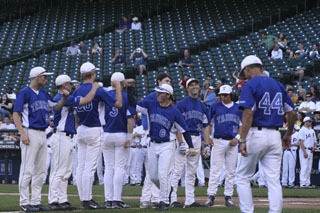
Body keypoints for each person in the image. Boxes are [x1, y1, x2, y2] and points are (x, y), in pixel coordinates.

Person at [236, 55, 296, 213]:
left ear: (248, 69)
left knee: (242, 177)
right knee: (273, 180)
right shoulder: (278, 84)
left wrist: (242, 139)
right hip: (275, 135)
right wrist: (288, 134)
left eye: (245, 72)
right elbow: (291, 113)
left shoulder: (250, 85)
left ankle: (247, 211)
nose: (245, 76)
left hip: (256, 133)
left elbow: (247, 114)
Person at [13, 66, 70, 212]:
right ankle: (25, 203)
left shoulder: (44, 93)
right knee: (27, 170)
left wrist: (64, 98)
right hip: (29, 132)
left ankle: (36, 202)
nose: (46, 79)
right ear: (37, 77)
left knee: (40, 170)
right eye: (44, 77)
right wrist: (22, 133)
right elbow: (16, 114)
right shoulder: (24, 93)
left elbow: (56, 107)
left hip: (42, 133)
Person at [136, 84, 196, 211]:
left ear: (168, 95)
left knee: (163, 174)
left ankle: (164, 201)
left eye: (160, 93)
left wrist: (190, 146)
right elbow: (136, 104)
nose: (157, 95)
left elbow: (184, 130)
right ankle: (168, 190)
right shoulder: (151, 105)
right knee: (153, 176)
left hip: (167, 145)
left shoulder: (174, 112)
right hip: (152, 144)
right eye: (157, 92)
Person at [73, 62, 122, 209]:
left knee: (80, 167)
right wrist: (118, 87)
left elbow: (75, 113)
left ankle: (83, 198)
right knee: (89, 167)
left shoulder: (77, 90)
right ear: (93, 74)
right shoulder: (98, 90)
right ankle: (87, 200)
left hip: (80, 129)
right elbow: (118, 104)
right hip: (94, 129)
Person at [48, 75, 100, 210]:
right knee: (58, 170)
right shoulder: (61, 98)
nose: (71, 86)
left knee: (65, 172)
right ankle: (54, 200)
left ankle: (62, 199)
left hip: (67, 137)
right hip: (60, 136)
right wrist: (94, 87)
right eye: (69, 84)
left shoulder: (64, 97)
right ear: (64, 85)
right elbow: (87, 99)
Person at [170, 78, 212, 208]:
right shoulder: (182, 104)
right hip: (183, 137)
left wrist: (206, 143)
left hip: (196, 138)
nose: (194, 87)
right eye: (191, 85)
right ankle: (172, 199)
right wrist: (181, 142)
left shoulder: (203, 106)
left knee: (191, 171)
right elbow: (176, 125)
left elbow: (205, 126)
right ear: (187, 88)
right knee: (177, 170)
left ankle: (190, 200)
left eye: (196, 84)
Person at [205, 85, 242, 207]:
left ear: (231, 94)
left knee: (231, 171)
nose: (222, 97)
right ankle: (211, 196)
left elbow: (242, 125)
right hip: (218, 141)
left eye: (225, 95)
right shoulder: (215, 107)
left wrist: (237, 138)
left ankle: (228, 196)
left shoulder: (238, 108)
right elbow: (208, 124)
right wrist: (208, 138)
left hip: (232, 142)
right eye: (221, 95)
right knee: (215, 170)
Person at [102, 72, 135, 209]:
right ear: (122, 83)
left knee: (108, 168)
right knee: (119, 168)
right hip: (120, 134)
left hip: (105, 134)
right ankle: (116, 199)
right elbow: (131, 119)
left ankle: (108, 199)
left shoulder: (104, 95)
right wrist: (129, 137)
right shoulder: (126, 97)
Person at [298, 116, 317, 188]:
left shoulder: (312, 130)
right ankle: (302, 183)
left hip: (311, 150)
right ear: (305, 122)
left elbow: (315, 141)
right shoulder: (302, 130)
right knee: (304, 167)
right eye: (308, 121)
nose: (310, 122)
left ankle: (307, 183)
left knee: (309, 168)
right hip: (304, 149)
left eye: (310, 121)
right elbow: (300, 141)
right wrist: (304, 152)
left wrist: (314, 147)